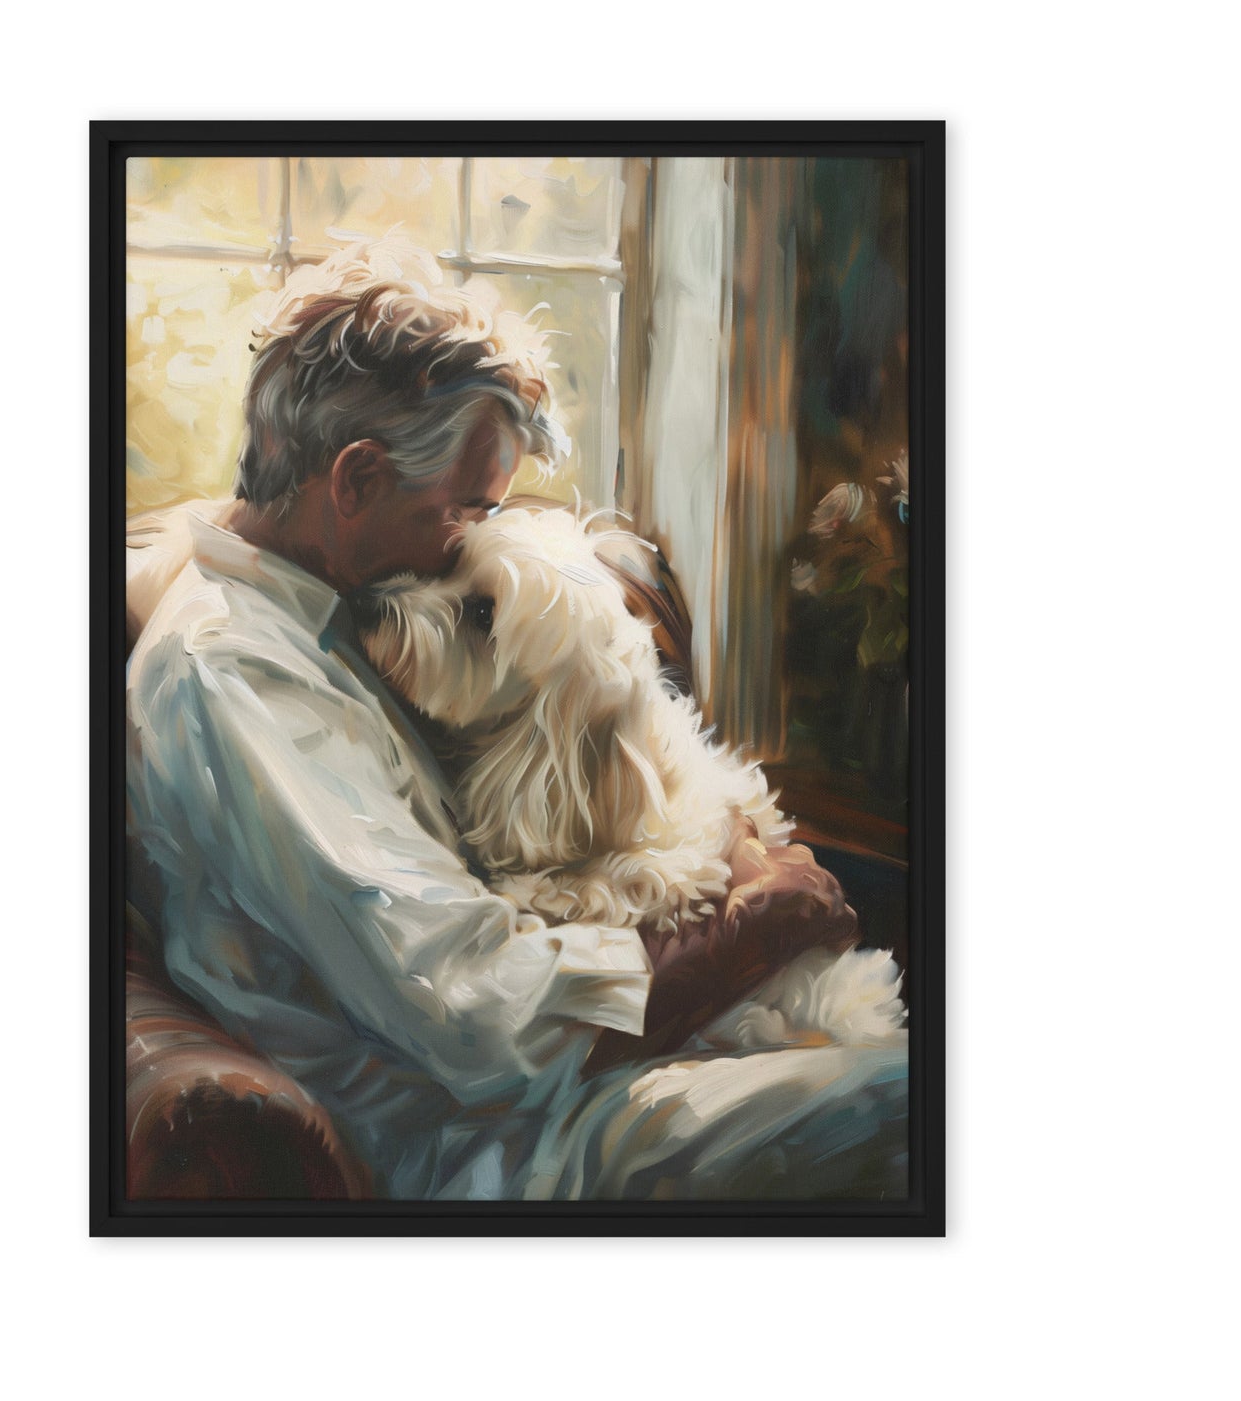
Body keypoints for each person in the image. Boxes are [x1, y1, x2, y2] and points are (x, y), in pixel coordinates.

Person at [126, 238, 908, 1201]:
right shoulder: (235, 676)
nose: (477, 538)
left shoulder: (329, 607)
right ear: (356, 479)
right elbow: (476, 1013)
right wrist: (747, 927)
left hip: (582, 1081)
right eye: (466, 509)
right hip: (496, 1140)